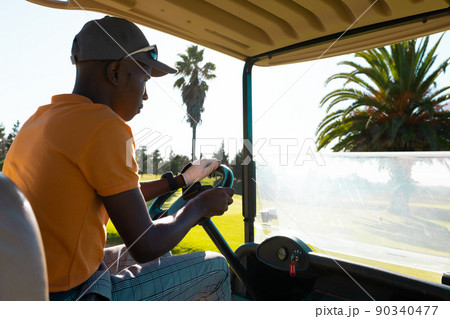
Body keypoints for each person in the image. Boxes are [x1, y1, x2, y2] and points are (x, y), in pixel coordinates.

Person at [3, 16, 234, 301]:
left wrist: (180, 181)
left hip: (29, 283)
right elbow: (145, 244)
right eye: (144, 79)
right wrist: (198, 207)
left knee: (160, 254)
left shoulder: (41, 119)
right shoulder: (105, 126)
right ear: (115, 72)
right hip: (73, 295)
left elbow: (120, 195)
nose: (146, 96)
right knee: (217, 267)